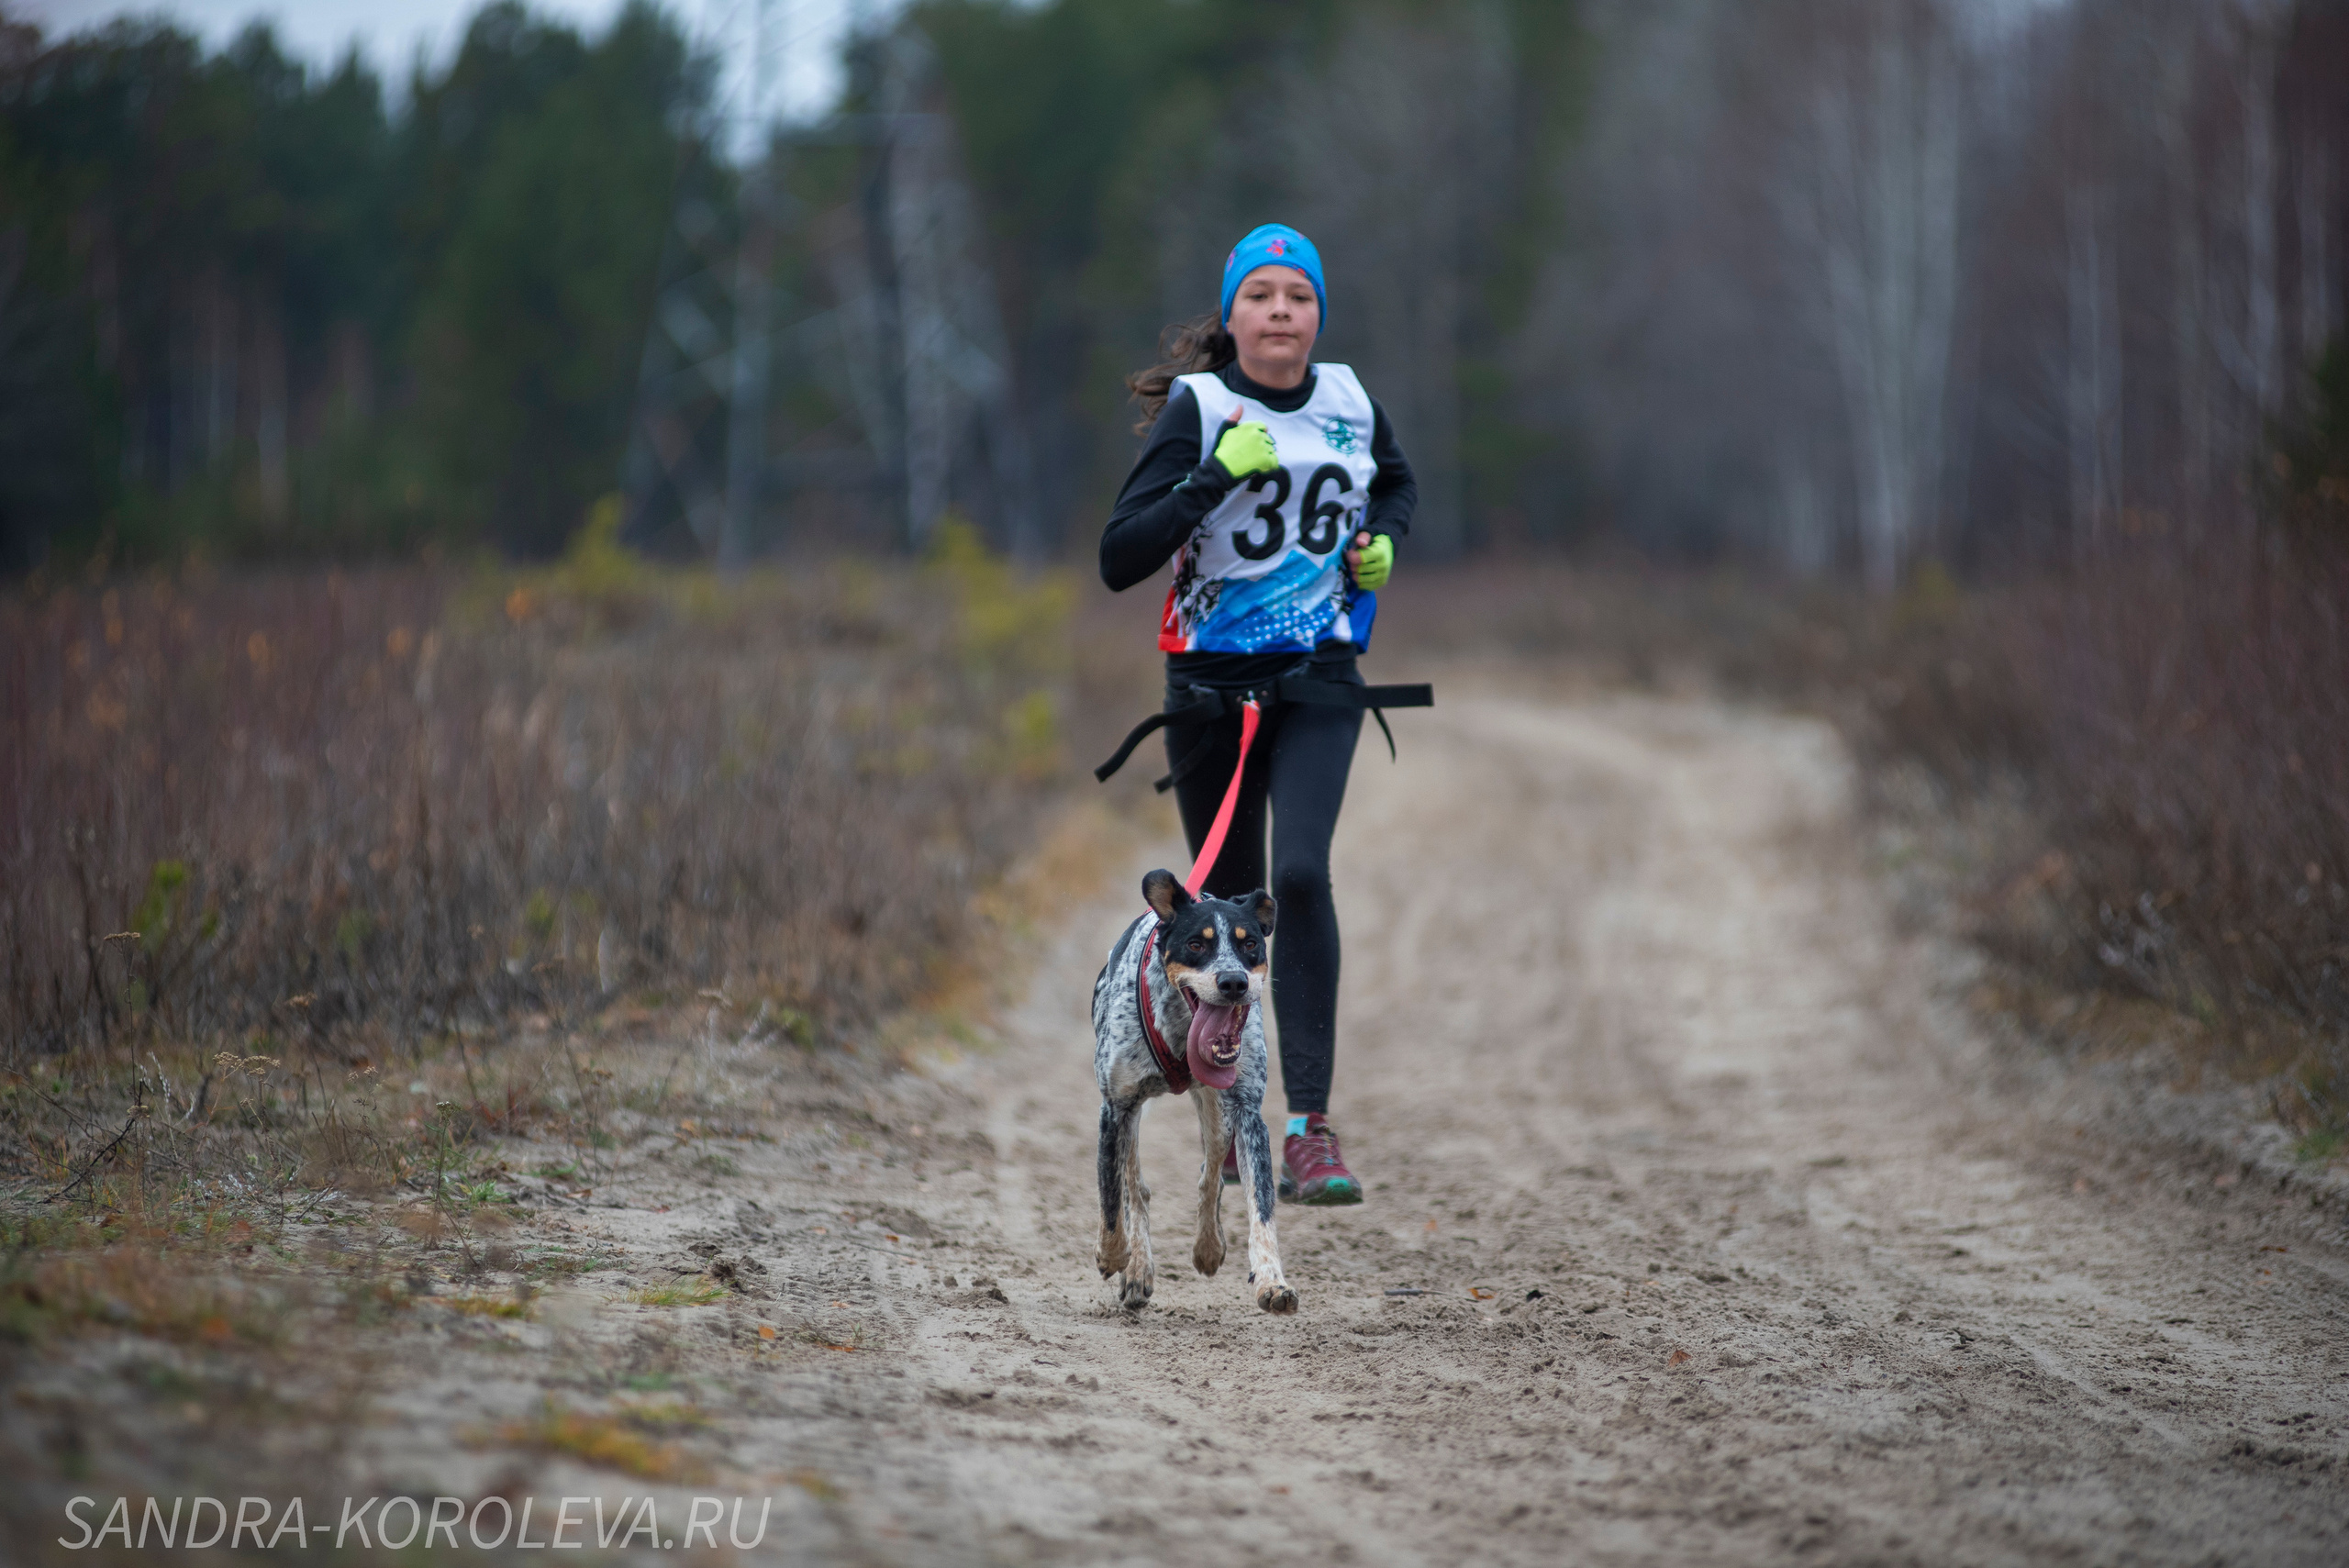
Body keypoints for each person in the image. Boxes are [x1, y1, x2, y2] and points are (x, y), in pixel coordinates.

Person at [1099, 223, 1416, 1206]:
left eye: (1300, 297)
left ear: (1318, 315)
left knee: (1301, 874)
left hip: (1319, 675)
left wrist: (1380, 548)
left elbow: (1395, 486)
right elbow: (1120, 556)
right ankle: (1234, 1117)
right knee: (1230, 912)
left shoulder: (1350, 400)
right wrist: (1210, 477)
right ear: (1231, 317)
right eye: (1262, 296)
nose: (1282, 312)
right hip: (1207, 692)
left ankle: (1307, 1127)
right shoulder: (1199, 409)